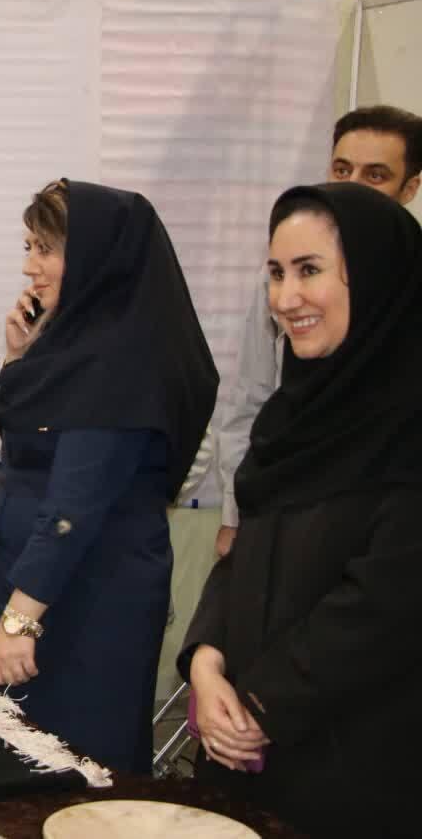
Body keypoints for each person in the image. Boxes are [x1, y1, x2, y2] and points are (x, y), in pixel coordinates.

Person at [181, 182, 422, 838]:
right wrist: (205, 659)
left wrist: (260, 703)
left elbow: (384, 606)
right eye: (276, 273)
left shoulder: (408, 428)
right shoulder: (291, 418)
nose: (286, 298)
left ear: (375, 279)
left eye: (309, 270)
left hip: (357, 773)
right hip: (244, 753)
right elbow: (243, 555)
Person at [0, 180, 217, 774]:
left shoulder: (122, 359)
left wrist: (20, 619)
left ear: (95, 258)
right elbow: (27, 445)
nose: (30, 267)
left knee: (81, 765)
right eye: (29, 247)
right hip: (48, 584)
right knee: (30, 759)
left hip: (87, 595)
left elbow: (72, 507)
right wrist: (19, 356)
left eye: (45, 249)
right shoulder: (76, 342)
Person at [215, 104, 422, 558]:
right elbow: (251, 398)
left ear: (410, 188)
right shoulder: (283, 285)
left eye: (375, 175)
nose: (352, 186)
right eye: (342, 169)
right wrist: (235, 513)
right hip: (287, 508)